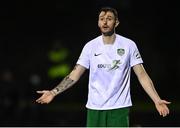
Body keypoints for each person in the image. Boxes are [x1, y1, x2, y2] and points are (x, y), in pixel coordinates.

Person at [36, 7, 171, 127]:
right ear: (98, 22)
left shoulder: (129, 45)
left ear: (116, 23)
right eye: (102, 19)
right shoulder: (90, 46)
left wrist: (156, 99)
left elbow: (142, 75)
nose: (105, 22)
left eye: (109, 19)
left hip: (119, 108)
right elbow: (74, 74)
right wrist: (53, 92)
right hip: (94, 109)